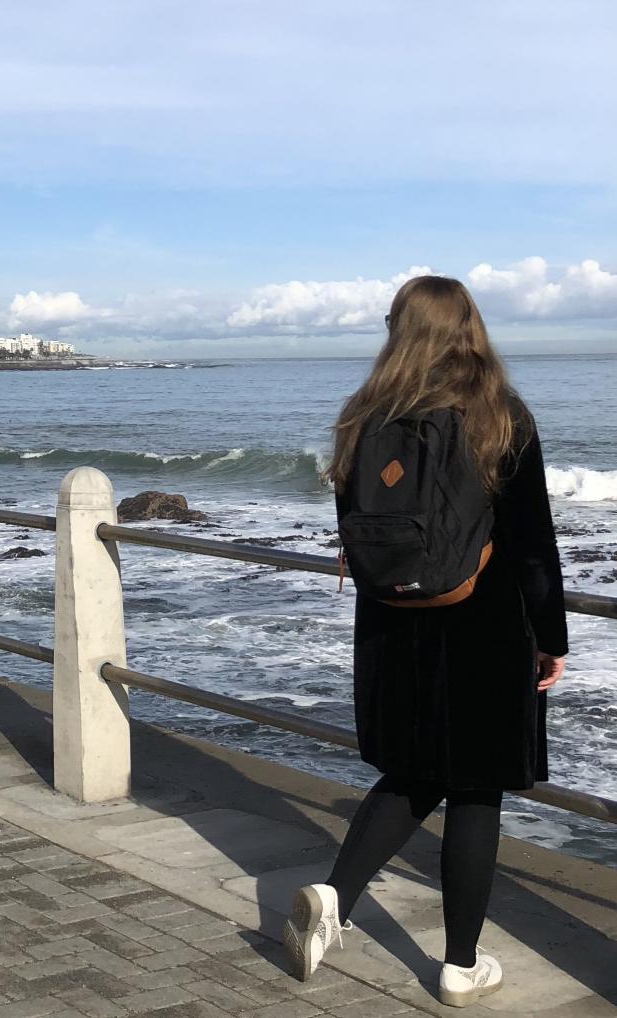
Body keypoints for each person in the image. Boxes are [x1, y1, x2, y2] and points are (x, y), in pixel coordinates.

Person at [285, 276, 567, 1008]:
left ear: (397, 329)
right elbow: (531, 542)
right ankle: (459, 965)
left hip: (390, 623)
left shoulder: (363, 415)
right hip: (482, 624)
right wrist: (552, 637)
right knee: (474, 791)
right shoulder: (496, 414)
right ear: (468, 327)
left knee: (411, 773)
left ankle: (333, 899)